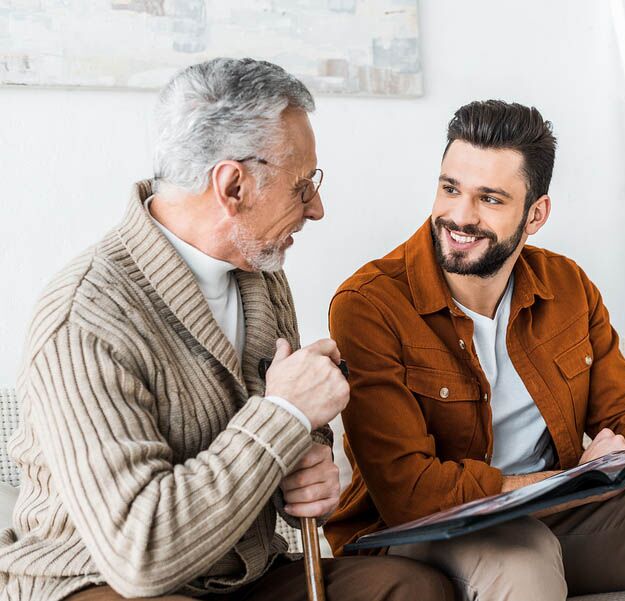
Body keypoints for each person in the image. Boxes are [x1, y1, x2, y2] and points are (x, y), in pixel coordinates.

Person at [324, 99, 625, 600]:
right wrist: (571, 480)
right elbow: (409, 492)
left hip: (557, 514)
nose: (459, 216)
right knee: (525, 554)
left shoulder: (566, 286)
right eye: (450, 188)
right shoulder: (369, 304)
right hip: (421, 534)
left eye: (490, 199)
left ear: (535, 214)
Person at [0, 58, 453, 601]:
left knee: (412, 588)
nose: (318, 208)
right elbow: (141, 554)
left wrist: (309, 462)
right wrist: (284, 417)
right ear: (233, 185)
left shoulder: (260, 274)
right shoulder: (85, 319)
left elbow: (293, 427)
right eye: (302, 186)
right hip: (102, 582)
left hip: (239, 574)